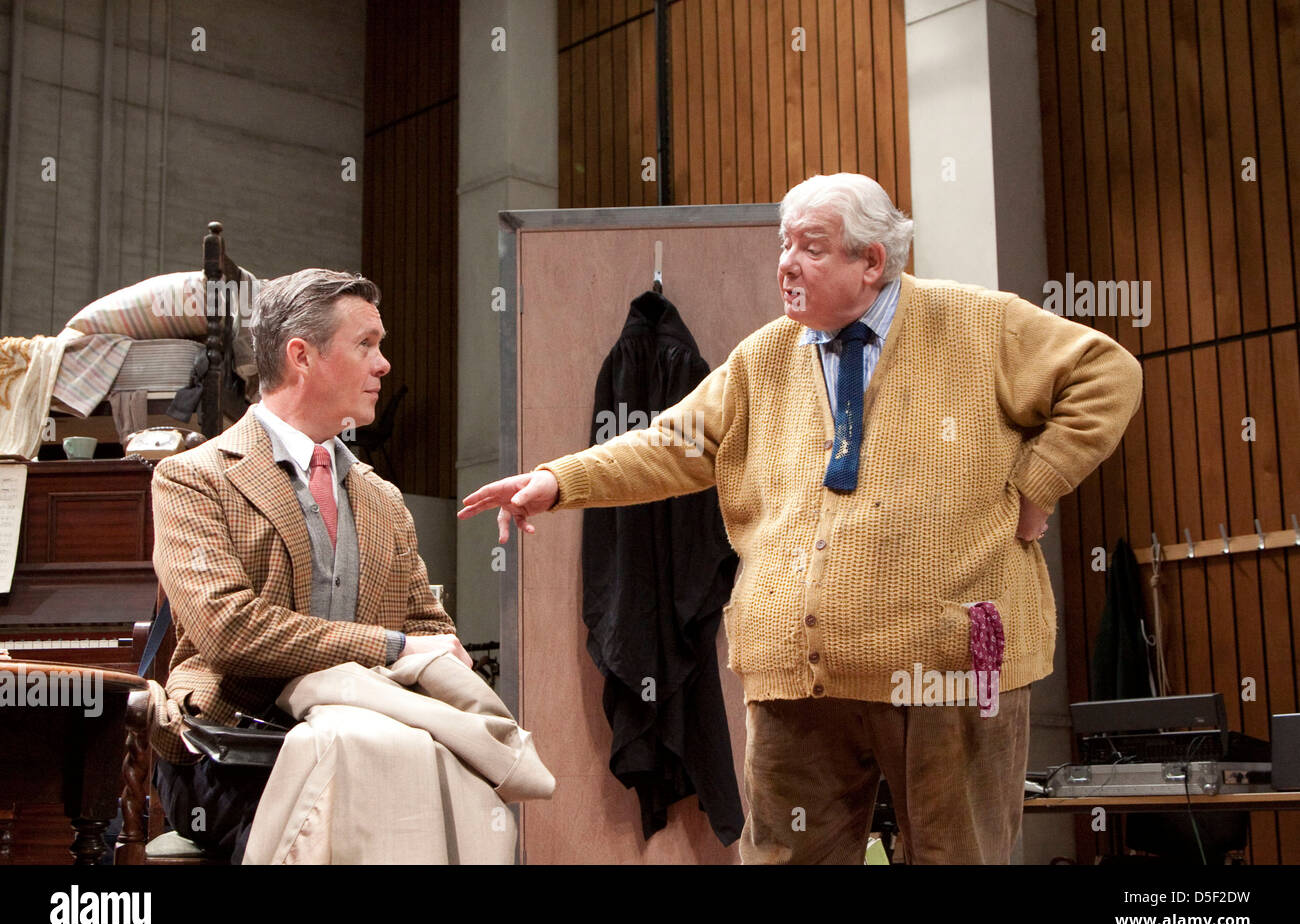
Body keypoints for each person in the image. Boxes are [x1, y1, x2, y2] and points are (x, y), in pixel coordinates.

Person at [459, 173, 1144, 864]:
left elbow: (1107, 374)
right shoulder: (764, 358)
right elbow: (671, 443)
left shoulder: (977, 323)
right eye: (784, 245)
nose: (786, 262)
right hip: (797, 678)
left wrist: (1037, 483)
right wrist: (557, 478)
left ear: (871, 260)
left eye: (811, 247)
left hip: (946, 669)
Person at [150, 268, 469, 863]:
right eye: (366, 345)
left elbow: (431, 627)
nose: (385, 365)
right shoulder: (193, 478)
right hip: (234, 751)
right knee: (340, 820)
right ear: (302, 355)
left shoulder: (382, 499)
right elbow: (229, 632)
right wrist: (390, 647)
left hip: (366, 739)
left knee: (449, 809)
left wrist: (432, 652)